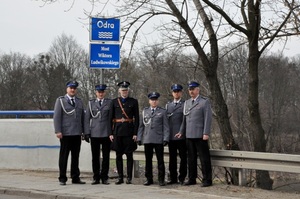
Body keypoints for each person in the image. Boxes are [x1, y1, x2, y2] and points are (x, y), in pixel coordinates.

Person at [175, 81, 213, 187]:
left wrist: (206, 133)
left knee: (204, 158)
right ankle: (192, 178)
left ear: (198, 90)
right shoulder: (187, 103)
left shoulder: (204, 102)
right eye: (190, 89)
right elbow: (184, 120)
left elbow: (207, 118)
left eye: (193, 89)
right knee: (191, 159)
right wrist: (181, 132)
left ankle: (207, 180)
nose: (191, 91)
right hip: (189, 135)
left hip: (200, 135)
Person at [53, 80, 86, 186]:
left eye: (74, 88)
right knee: (64, 156)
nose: (72, 90)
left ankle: (75, 177)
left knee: (75, 156)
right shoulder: (61, 101)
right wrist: (58, 130)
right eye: (71, 88)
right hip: (66, 133)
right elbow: (57, 116)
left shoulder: (79, 102)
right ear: (67, 89)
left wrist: (83, 132)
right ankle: (62, 177)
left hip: (76, 133)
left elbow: (82, 118)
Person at [110, 81, 139, 185]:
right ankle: (120, 177)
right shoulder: (114, 102)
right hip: (117, 132)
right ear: (119, 91)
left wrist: (135, 133)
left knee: (129, 155)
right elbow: (110, 118)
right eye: (122, 90)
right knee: (118, 156)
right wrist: (111, 133)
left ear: (128, 91)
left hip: (129, 132)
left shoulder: (133, 102)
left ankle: (129, 178)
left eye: (126, 90)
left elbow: (137, 119)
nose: (124, 92)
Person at [137, 92, 170, 186]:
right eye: (152, 100)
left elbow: (166, 127)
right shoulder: (145, 111)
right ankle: (149, 179)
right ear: (149, 101)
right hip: (147, 139)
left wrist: (166, 138)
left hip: (158, 139)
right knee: (148, 160)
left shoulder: (162, 112)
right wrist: (139, 138)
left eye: (155, 100)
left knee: (160, 160)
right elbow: (141, 126)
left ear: (158, 101)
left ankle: (161, 179)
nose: (154, 101)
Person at [84, 84, 113, 185]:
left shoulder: (109, 103)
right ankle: (96, 177)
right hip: (94, 133)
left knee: (106, 157)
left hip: (106, 133)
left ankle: (104, 177)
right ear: (96, 93)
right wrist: (87, 132)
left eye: (102, 92)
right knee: (95, 157)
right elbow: (87, 119)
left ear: (104, 93)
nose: (100, 94)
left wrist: (111, 132)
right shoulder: (91, 103)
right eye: (99, 92)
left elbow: (111, 119)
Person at [165, 84, 187, 185]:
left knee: (183, 157)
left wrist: (181, 132)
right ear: (172, 93)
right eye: (175, 91)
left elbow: (184, 120)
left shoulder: (185, 104)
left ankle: (182, 177)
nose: (176, 93)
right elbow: (166, 121)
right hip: (171, 136)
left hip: (181, 136)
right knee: (172, 158)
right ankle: (173, 178)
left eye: (178, 91)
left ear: (181, 93)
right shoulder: (168, 105)